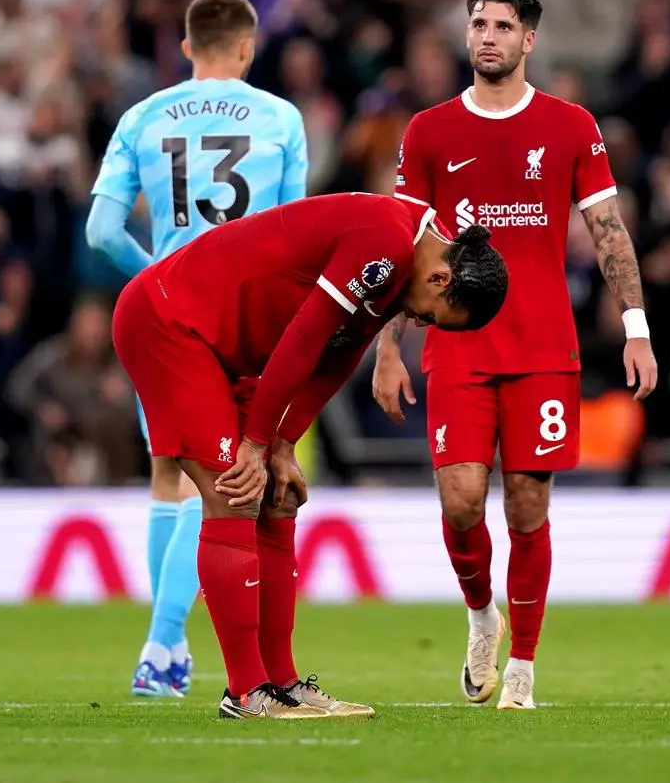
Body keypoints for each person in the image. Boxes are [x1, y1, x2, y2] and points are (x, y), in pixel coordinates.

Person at [110, 192, 509, 719]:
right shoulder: (386, 243)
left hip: (228, 348)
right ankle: (246, 693)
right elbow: (305, 336)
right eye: (434, 316)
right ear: (441, 278)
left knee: (279, 498)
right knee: (234, 493)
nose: (421, 321)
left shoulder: (408, 257)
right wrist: (255, 443)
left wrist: (282, 443)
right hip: (171, 323)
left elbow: (341, 353)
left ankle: (282, 683)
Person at [373, 0, 657, 710]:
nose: (488, 37)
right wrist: (387, 348)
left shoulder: (570, 126)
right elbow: (404, 246)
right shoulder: (429, 130)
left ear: (529, 39)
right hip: (458, 347)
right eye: (479, 24)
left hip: (542, 349)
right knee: (462, 501)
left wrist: (636, 328)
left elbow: (608, 232)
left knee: (527, 508)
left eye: (503, 26)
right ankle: (481, 616)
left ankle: (523, 667)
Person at [84, 0, 308, 699]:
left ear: (186, 47)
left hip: (164, 319)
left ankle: (169, 650)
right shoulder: (279, 117)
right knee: (220, 488)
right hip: (241, 323)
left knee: (168, 475)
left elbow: (100, 231)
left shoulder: (142, 116)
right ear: (247, 46)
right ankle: (161, 645)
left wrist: (159, 279)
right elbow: (293, 235)